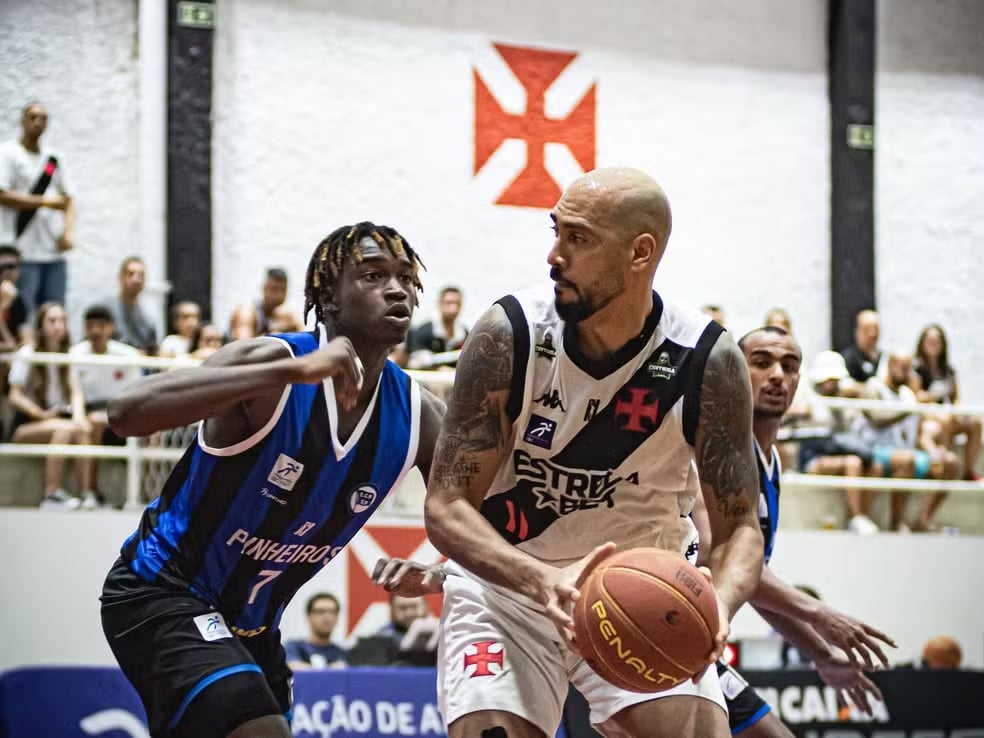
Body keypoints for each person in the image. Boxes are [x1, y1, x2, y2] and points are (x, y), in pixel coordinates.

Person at [419, 167, 765, 737]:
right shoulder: (508, 333)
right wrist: (539, 580)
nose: (554, 256)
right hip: (508, 591)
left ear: (640, 253)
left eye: (578, 238)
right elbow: (446, 505)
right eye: (556, 232)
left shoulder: (707, 359)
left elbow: (740, 529)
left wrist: (716, 608)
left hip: (641, 588)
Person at [99, 222, 445, 738]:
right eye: (373, 275)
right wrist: (293, 373)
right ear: (328, 297)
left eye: (405, 278)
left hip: (254, 628)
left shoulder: (422, 416)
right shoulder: (272, 362)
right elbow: (125, 413)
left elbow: (475, 519)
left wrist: (440, 571)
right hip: (161, 591)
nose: (396, 290)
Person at [702, 327, 892, 736]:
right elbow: (723, 559)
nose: (777, 375)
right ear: (735, 372)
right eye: (762, 362)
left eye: (789, 367)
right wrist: (819, 614)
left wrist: (820, 653)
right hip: (667, 628)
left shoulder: (769, 461)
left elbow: (748, 578)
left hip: (701, 642)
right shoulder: (717, 449)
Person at [7, 302, 91, 508]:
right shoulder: (28, 353)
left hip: (58, 420)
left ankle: (86, 495)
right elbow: (14, 396)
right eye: (52, 321)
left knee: (81, 431)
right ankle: (51, 494)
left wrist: (79, 416)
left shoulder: (67, 355)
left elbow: (76, 392)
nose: (58, 326)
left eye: (62, 320)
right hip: (26, 425)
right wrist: (40, 414)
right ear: (41, 325)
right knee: (65, 429)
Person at [0, 102, 75, 319]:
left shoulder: (52, 159)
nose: (38, 123)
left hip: (53, 252)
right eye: (33, 117)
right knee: (24, 315)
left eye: (43, 118)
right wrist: (44, 202)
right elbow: (3, 194)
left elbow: (69, 199)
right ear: (22, 121)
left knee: (55, 314)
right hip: (21, 251)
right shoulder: (8, 153)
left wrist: (68, 234)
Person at [69, 304, 143, 508]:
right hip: (91, 411)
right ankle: (89, 492)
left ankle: (144, 494)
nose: (95, 331)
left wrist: (123, 415)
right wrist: (78, 417)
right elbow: (76, 392)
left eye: (101, 326)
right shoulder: (76, 353)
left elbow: (136, 392)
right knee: (90, 425)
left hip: (123, 410)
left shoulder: (127, 355)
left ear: (111, 328)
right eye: (90, 326)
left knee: (155, 433)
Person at [912, 323, 981, 482]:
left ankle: (969, 471)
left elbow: (955, 398)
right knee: (944, 419)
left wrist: (958, 411)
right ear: (922, 343)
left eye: (937, 341)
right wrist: (933, 396)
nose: (933, 344)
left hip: (947, 414)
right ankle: (943, 462)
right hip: (927, 416)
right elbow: (916, 397)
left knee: (976, 422)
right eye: (930, 340)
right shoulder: (916, 369)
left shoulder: (948, 370)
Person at [229, 268, 303, 341]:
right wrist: (273, 335)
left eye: (283, 290)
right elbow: (242, 344)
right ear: (264, 288)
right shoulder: (246, 313)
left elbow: (303, 342)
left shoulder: (287, 316)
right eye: (274, 289)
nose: (279, 295)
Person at [104, 256, 159, 354]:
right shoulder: (105, 310)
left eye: (141, 275)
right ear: (120, 278)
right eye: (131, 274)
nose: (136, 279)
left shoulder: (148, 319)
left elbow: (152, 351)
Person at [407, 286, 469, 369]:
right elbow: (415, 363)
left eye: (457, 303)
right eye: (449, 303)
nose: (453, 308)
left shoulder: (464, 333)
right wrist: (438, 368)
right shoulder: (424, 332)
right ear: (440, 304)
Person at [284, 593, 346, 670]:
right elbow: (294, 668)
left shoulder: (342, 653)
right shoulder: (293, 647)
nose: (327, 617)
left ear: (337, 618)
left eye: (332, 612)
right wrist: (332, 670)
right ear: (309, 616)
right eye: (320, 611)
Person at [841, 309, 883, 385]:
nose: (872, 334)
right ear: (857, 331)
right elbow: (843, 385)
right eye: (867, 329)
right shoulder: (848, 359)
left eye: (876, 329)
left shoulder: (884, 358)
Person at [0, 245, 29, 352]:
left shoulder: (17, 300)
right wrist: (3, 306)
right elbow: (10, 344)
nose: (6, 272)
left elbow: (26, 340)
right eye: (2, 267)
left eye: (11, 267)